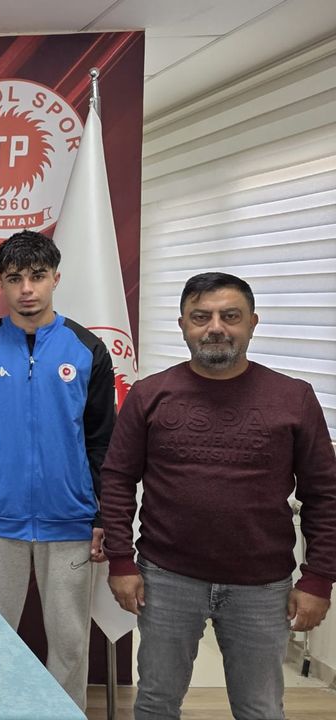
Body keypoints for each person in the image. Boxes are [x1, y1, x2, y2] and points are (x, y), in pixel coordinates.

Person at [101, 272, 336, 720]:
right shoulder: (150, 395)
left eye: (230, 316)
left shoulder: (294, 398)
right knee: (155, 703)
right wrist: (121, 561)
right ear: (182, 325)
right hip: (165, 579)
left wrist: (319, 578)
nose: (215, 328)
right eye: (201, 317)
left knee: (260, 709)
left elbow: (324, 495)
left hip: (262, 586)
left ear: (252, 323)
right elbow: (116, 480)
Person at [0, 229, 115, 710]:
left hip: (71, 521)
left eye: (37, 276)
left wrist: (103, 514)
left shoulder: (87, 349)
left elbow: (103, 441)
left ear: (55, 278)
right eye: (15, 278)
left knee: (70, 645)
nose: (26, 289)